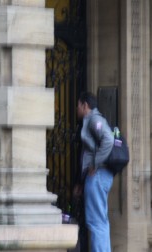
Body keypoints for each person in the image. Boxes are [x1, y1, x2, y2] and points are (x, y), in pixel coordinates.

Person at [75, 91, 114, 252]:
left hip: (97, 176)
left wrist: (95, 164)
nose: (76, 109)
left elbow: (109, 140)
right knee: (101, 221)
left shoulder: (94, 120)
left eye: (78, 105)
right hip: (99, 176)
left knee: (96, 222)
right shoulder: (93, 120)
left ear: (85, 105)